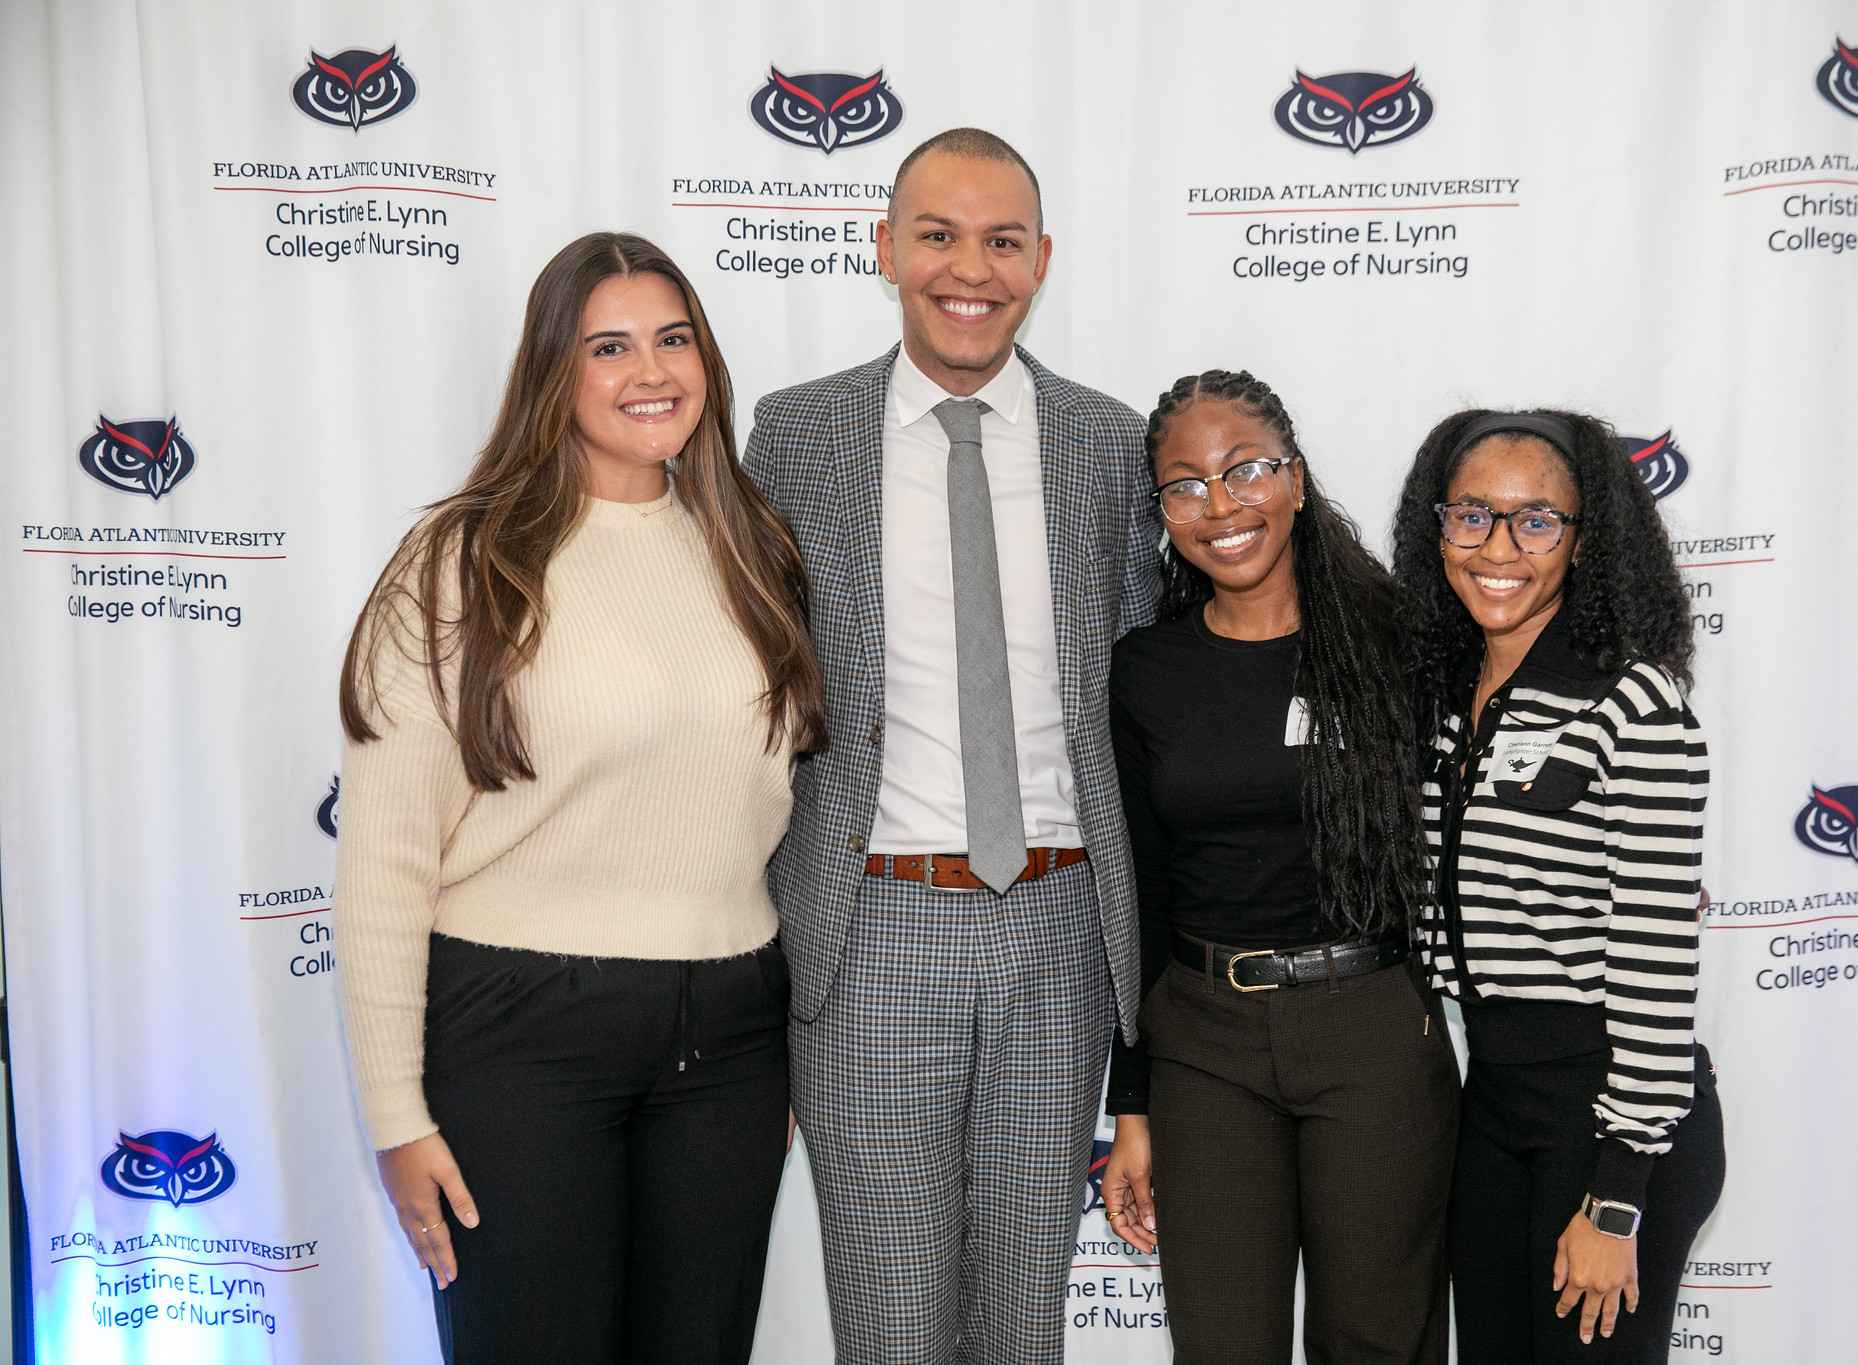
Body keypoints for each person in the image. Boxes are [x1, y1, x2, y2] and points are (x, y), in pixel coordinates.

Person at [334, 231, 823, 1364]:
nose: (650, 372)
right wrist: (396, 1117)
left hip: (734, 1036)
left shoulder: (752, 547)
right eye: (609, 347)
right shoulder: (465, 557)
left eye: (673, 339)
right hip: (517, 1038)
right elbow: (386, 863)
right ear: (554, 372)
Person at [741, 128, 1157, 1364]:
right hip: (870, 928)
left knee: (1025, 1323)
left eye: (1000, 240)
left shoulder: (1108, 444)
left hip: (1063, 929)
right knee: (891, 1323)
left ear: (1040, 261)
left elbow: (1148, 696)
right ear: (884, 249)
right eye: (936, 235)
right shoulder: (797, 436)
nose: (967, 268)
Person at [1096, 370, 1462, 1364]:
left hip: (1373, 1032)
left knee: (1377, 1342)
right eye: (1185, 485)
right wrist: (1130, 1102)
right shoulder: (1145, 671)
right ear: (1162, 511)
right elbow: (1139, 893)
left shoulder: (1401, 644)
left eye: (1247, 470)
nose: (1220, 505)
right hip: (1204, 1048)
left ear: (1296, 480)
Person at [1391, 410, 1725, 1362]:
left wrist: (1617, 1195)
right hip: (1492, 1103)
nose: (1499, 548)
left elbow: (1656, 964)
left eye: (1536, 520)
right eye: (1471, 517)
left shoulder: (1633, 704)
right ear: (1437, 528)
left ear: (1587, 541)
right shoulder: (1445, 703)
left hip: (1611, 1113)